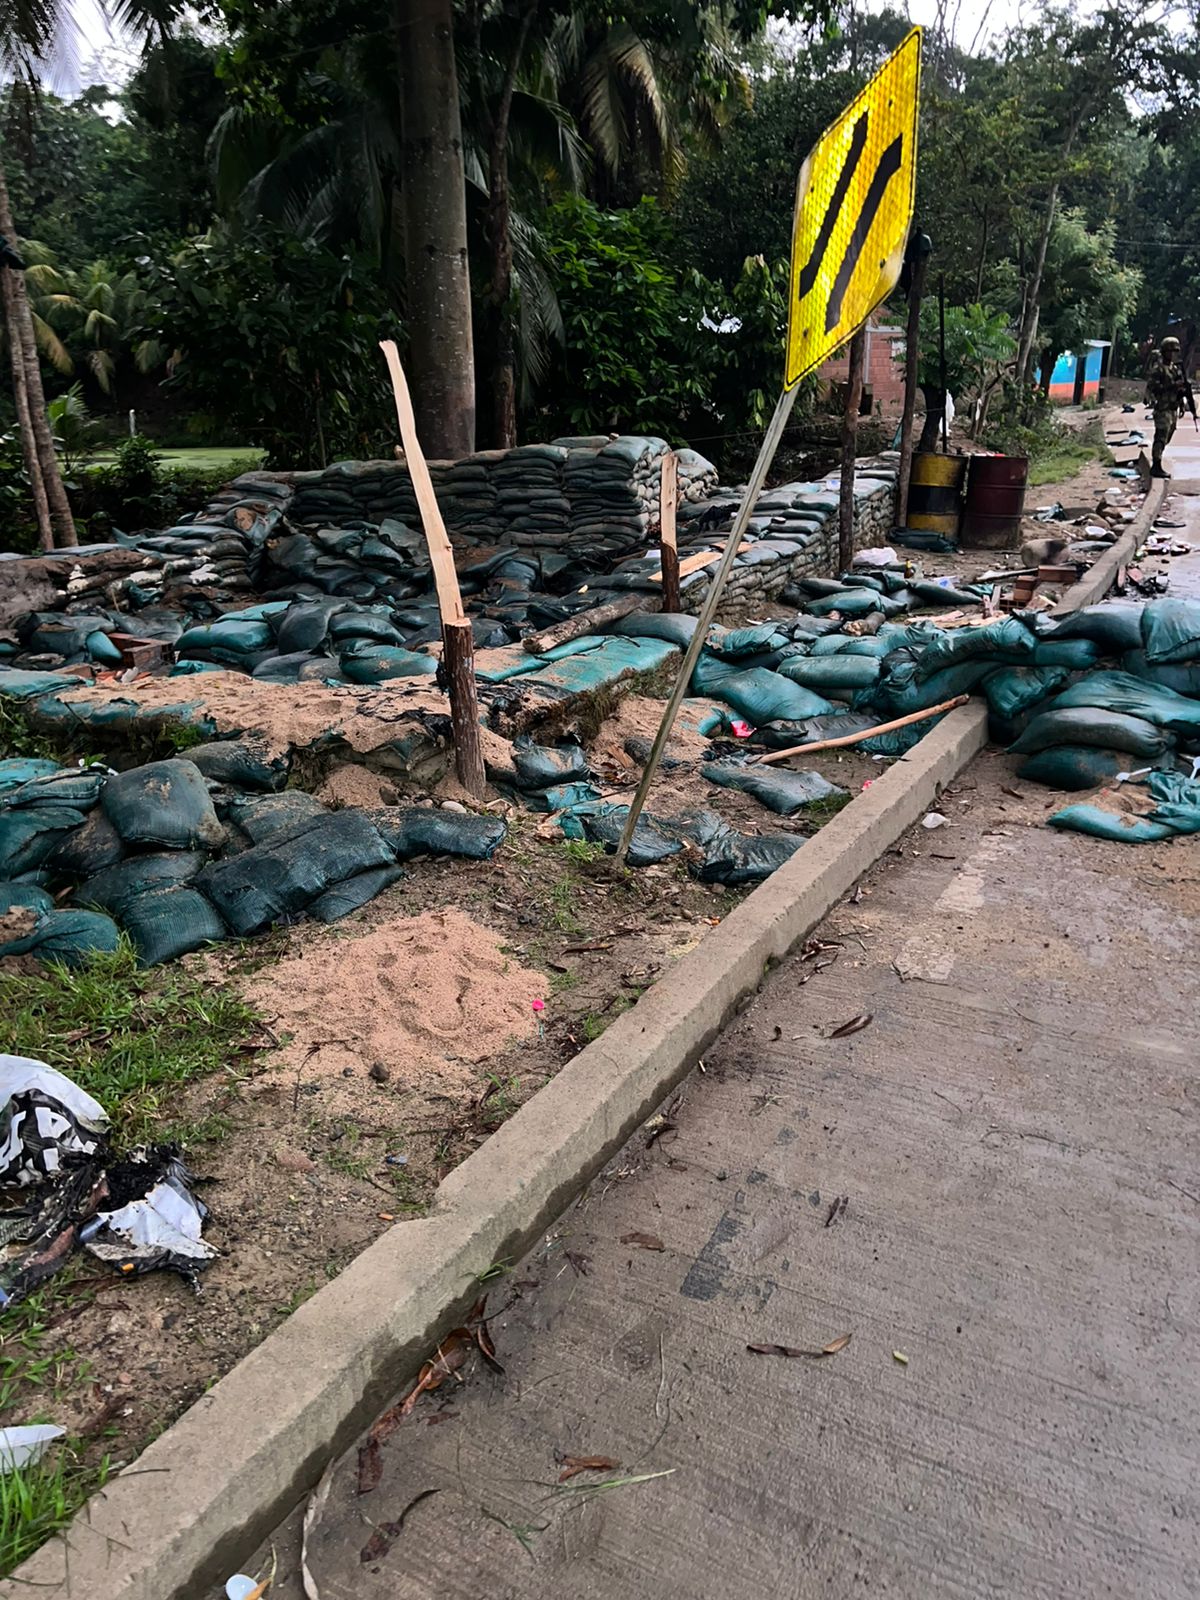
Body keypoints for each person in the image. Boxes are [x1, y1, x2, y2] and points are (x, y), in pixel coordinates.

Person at [1145, 335, 1187, 477]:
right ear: (1164, 352)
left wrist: (1182, 401)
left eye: (1175, 352)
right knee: (1161, 436)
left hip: (1172, 407)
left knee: (1168, 435)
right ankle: (1156, 466)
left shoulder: (1174, 369)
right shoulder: (1159, 369)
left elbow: (1179, 389)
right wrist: (1173, 385)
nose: (1173, 354)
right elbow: (1154, 388)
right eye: (1170, 351)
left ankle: (1158, 458)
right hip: (1162, 407)